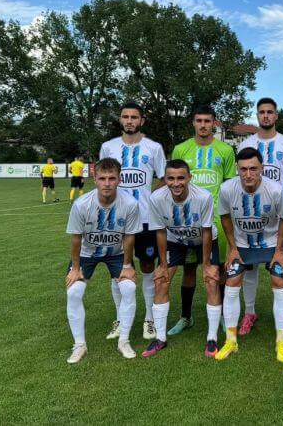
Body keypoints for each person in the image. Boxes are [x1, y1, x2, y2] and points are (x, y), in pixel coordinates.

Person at [216, 148, 283, 362]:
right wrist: (232, 248)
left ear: (262, 169)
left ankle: (281, 341)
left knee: (279, 279)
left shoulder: (276, 190)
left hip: (270, 243)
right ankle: (231, 340)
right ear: (237, 169)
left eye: (253, 169)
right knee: (231, 281)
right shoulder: (226, 189)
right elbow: (224, 217)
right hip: (242, 245)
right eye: (243, 169)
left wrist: (279, 250)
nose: (248, 174)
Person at [99, 102, 166, 341]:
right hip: (116, 220)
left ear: (142, 121)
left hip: (145, 219)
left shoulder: (154, 148)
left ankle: (149, 319)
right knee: (117, 268)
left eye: (134, 117)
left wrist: (150, 198)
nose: (129, 121)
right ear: (120, 120)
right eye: (125, 117)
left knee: (147, 266)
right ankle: (120, 319)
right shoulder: (108, 147)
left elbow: (164, 178)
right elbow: (103, 179)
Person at [237, 98, 283, 337]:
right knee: (250, 266)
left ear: (276, 116)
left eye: (270, 112)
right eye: (262, 112)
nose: (265, 116)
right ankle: (250, 312)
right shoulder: (246, 144)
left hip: (280, 215)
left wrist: (282, 198)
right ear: (257, 116)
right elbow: (240, 177)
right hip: (250, 213)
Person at [167, 105, 236, 336]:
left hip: (216, 220)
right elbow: (173, 183)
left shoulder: (225, 150)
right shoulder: (181, 148)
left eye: (208, 121)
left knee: (219, 270)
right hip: (185, 222)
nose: (203, 125)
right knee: (188, 270)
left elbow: (229, 187)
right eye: (199, 120)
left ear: (214, 123)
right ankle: (186, 317)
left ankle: (223, 316)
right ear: (193, 123)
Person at [64, 158, 142, 364]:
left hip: (117, 253)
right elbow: (76, 238)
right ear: (95, 179)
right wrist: (75, 268)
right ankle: (79, 345)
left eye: (112, 178)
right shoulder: (81, 204)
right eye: (102, 178)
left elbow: (129, 236)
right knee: (73, 292)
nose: (107, 183)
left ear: (119, 179)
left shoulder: (130, 204)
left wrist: (127, 266)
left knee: (128, 288)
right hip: (87, 253)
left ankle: (124, 341)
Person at [143, 160, 222, 358]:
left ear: (189, 178)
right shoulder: (156, 198)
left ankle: (212, 338)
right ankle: (160, 338)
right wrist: (162, 265)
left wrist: (206, 265)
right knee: (161, 280)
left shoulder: (203, 197)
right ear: (165, 179)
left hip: (203, 239)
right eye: (171, 178)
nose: (176, 183)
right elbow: (160, 231)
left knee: (211, 280)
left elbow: (206, 231)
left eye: (181, 178)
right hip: (175, 240)